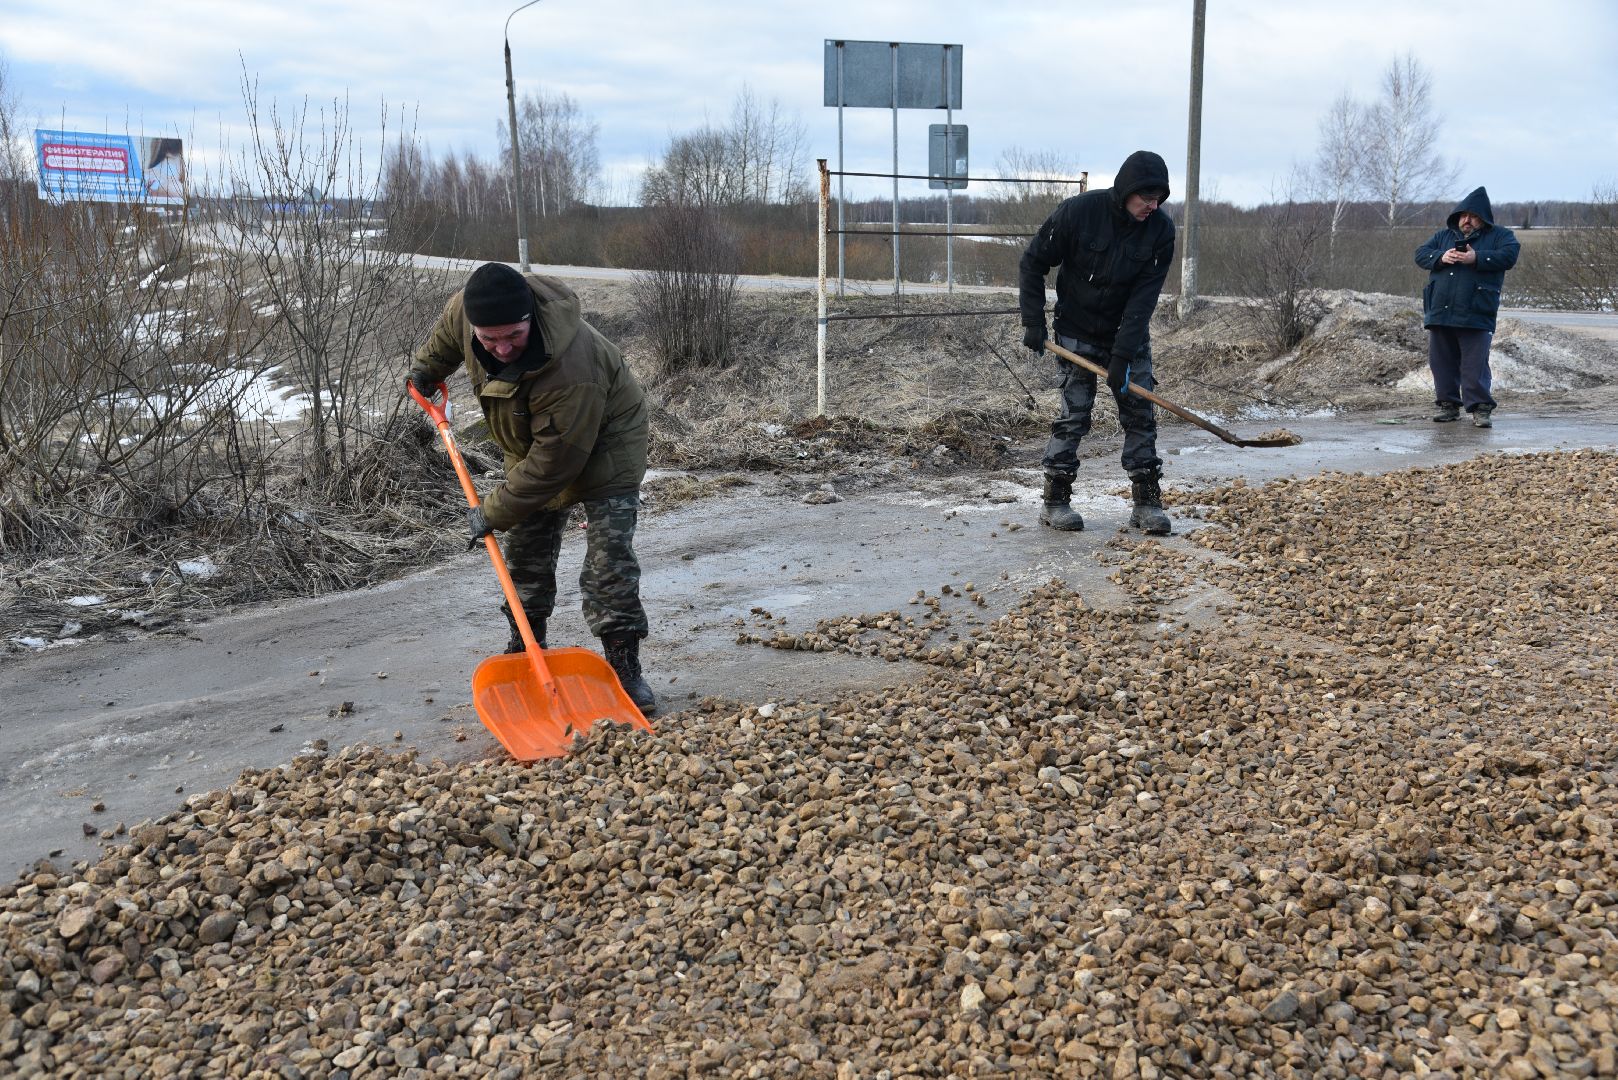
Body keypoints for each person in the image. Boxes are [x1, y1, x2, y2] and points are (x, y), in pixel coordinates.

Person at [407, 262, 657, 713]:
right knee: (525, 553)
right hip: (532, 439)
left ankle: (624, 669)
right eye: (489, 340)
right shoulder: (468, 312)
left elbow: (552, 467)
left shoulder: (573, 367)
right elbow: (448, 336)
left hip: (606, 445)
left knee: (608, 563)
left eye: (513, 338)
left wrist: (491, 511)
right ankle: (526, 645)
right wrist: (426, 370)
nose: (501, 348)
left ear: (530, 321)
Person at [1019, 150, 1176, 535]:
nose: (1152, 206)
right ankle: (1055, 501)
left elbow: (1144, 298)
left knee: (1140, 412)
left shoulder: (1161, 232)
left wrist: (1123, 355)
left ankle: (1146, 503)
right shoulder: (1078, 213)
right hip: (1076, 331)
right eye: (1146, 198)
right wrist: (1033, 320)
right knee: (1075, 414)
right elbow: (1033, 261)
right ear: (1127, 190)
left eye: (1158, 199)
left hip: (1128, 333)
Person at [1414, 187, 1520, 428]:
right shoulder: (1443, 236)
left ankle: (1481, 410)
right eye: (1463, 215)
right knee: (1441, 363)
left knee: (1474, 365)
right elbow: (1420, 254)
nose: (1467, 220)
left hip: (1476, 310)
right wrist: (1440, 258)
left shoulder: (1501, 236)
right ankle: (1448, 406)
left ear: (1483, 218)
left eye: (1472, 216)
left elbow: (1509, 256)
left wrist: (1477, 258)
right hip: (1440, 310)